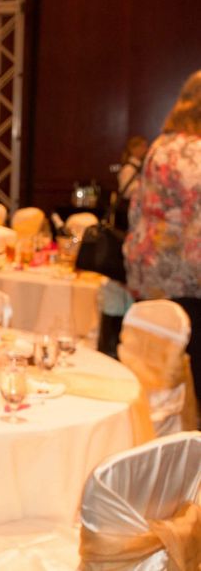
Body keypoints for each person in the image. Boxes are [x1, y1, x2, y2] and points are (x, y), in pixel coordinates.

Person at [124, 70, 201, 413]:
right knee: (192, 375)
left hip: (152, 275)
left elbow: (137, 211)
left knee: (157, 377)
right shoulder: (196, 151)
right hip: (189, 279)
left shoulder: (160, 146)